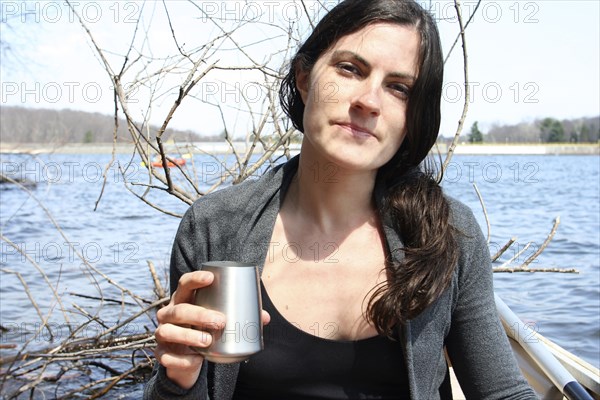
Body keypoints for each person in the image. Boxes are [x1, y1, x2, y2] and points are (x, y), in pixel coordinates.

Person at [145, 0, 538, 399]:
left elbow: (501, 392)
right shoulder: (216, 226)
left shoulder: (448, 233)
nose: (369, 101)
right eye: (350, 69)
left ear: (413, 117)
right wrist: (177, 380)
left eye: (398, 88)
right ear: (303, 77)